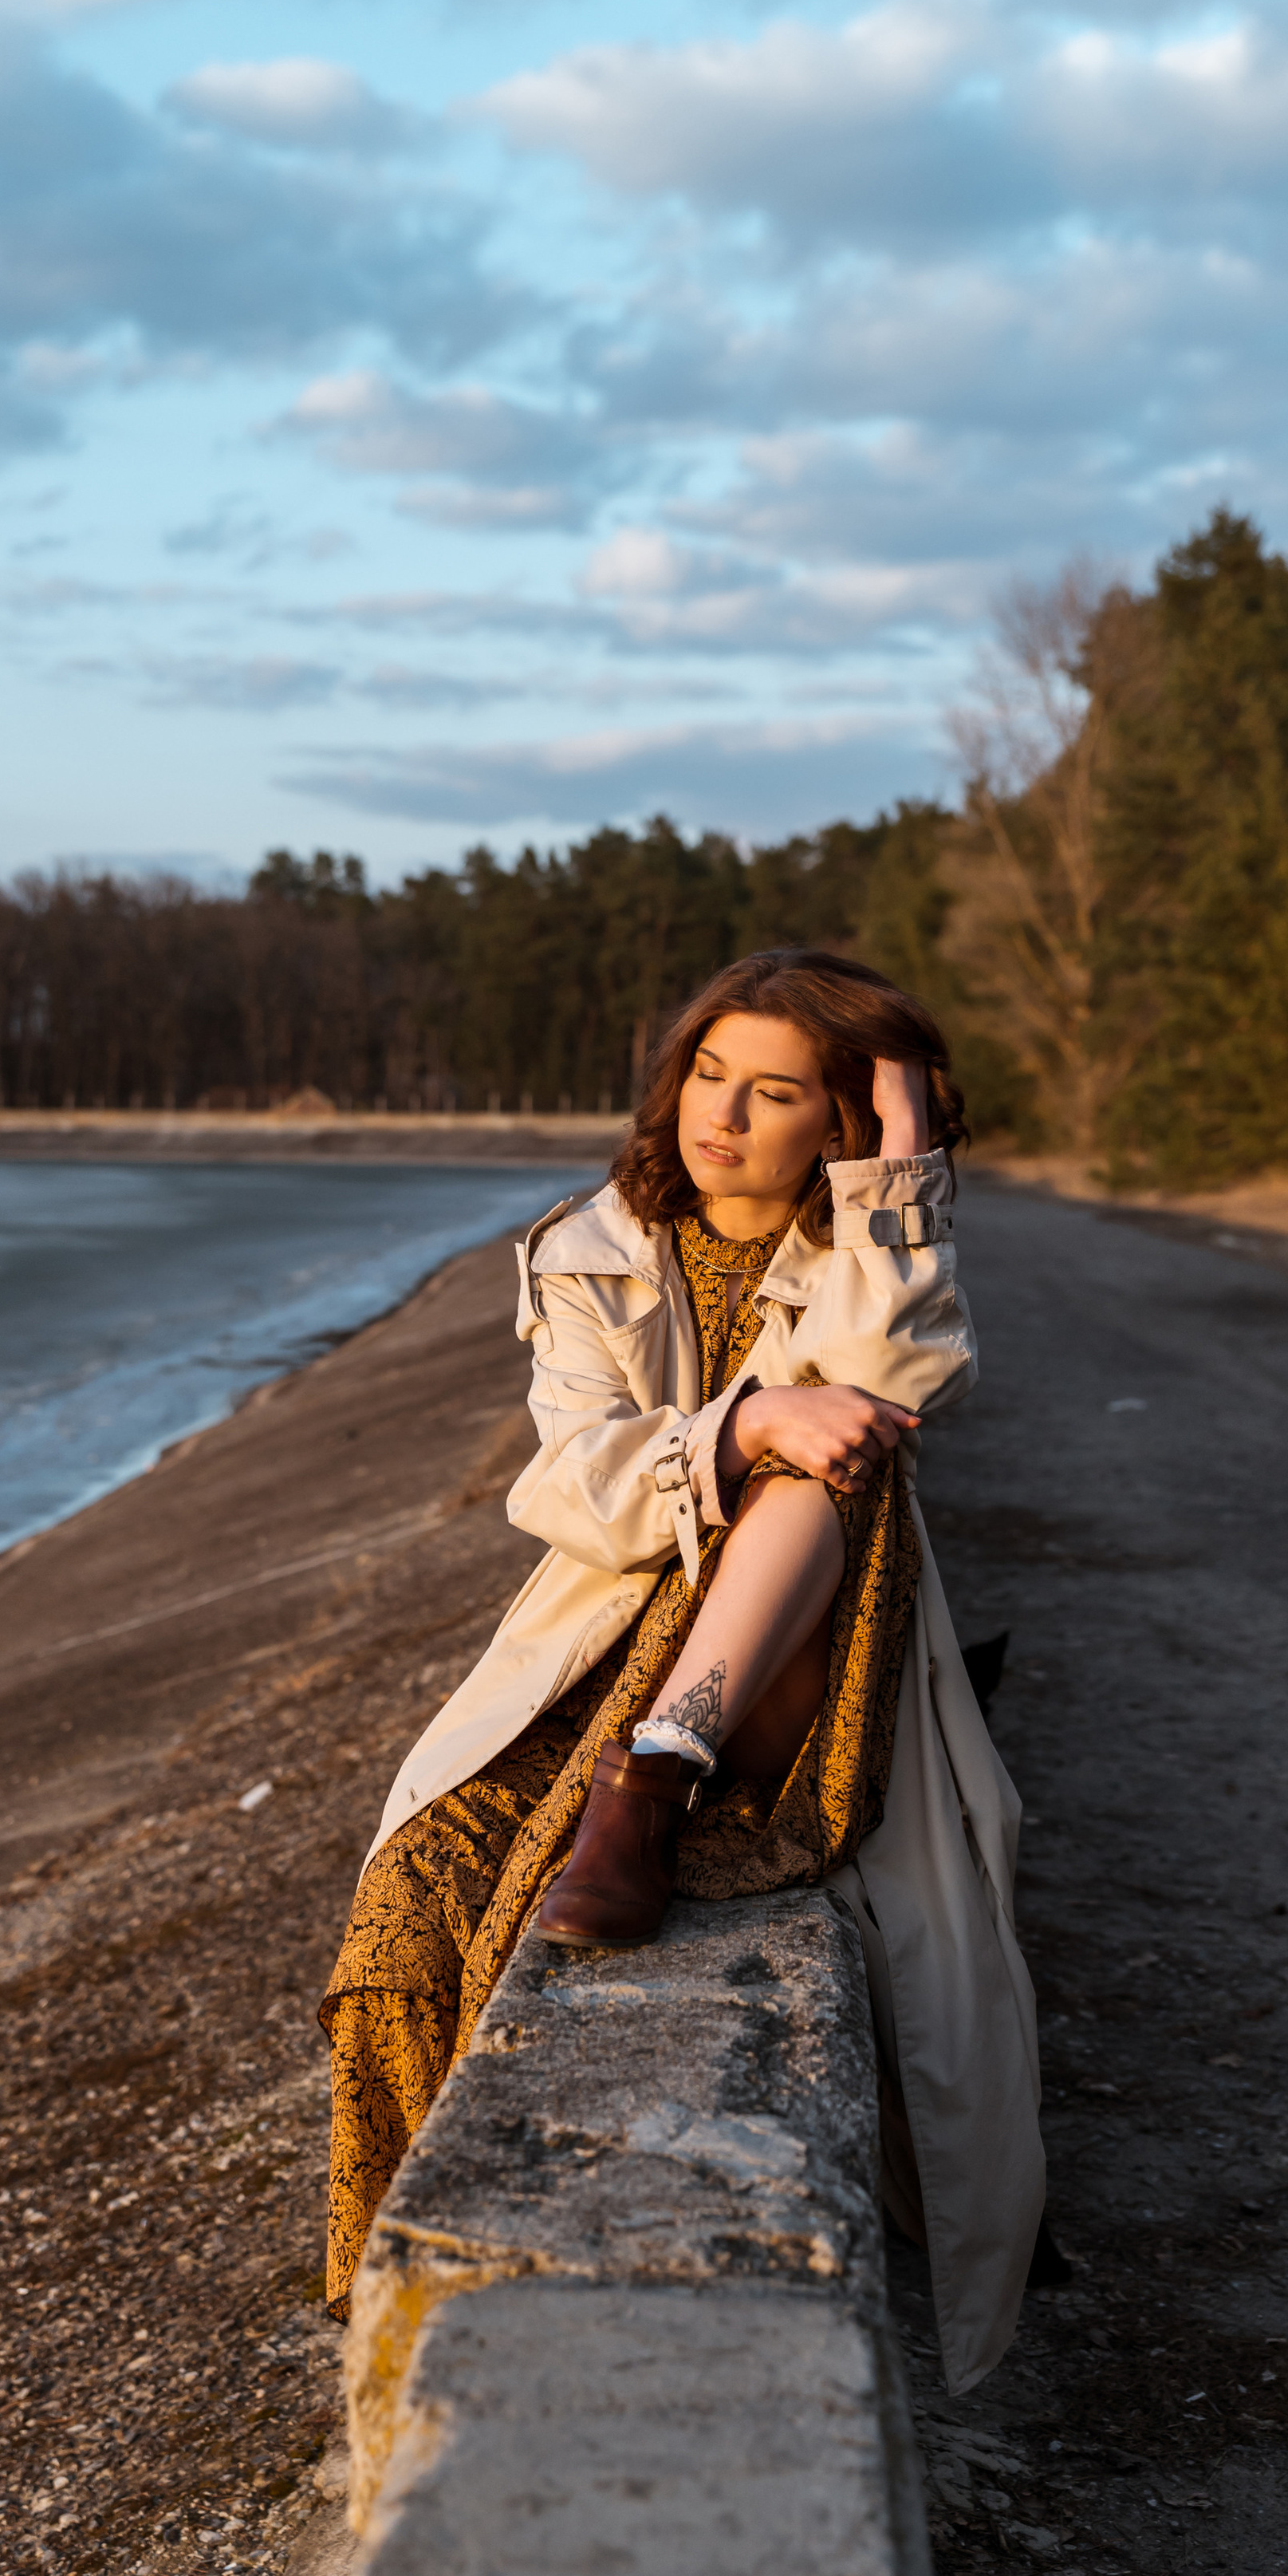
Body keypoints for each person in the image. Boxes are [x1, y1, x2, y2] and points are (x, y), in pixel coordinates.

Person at [319, 946, 1046, 2394]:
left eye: (775, 1092)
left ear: (832, 1120)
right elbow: (573, 1486)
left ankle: (657, 1777)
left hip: (803, 1651)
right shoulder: (588, 1247)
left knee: (840, 1452)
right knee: (412, 1888)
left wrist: (904, 1157)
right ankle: (393, 2301)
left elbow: (903, 1386)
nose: (723, 1114)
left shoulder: (860, 1240)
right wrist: (741, 1426)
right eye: (708, 1074)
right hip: (603, 1633)